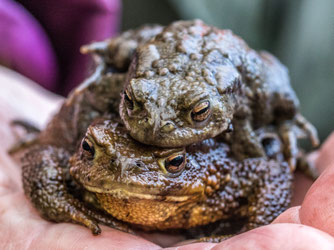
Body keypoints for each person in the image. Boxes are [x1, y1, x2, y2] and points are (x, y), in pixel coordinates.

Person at [1, 66, 334, 249]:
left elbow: (270, 172)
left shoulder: (222, 176)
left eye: (173, 163)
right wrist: (63, 206)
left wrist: (248, 227)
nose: (126, 174)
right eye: (91, 151)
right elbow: (43, 157)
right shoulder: (85, 168)